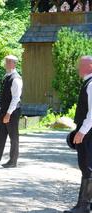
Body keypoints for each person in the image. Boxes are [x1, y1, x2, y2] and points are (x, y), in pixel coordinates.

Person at [64, 56, 92, 213]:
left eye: (81, 64)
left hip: (88, 132)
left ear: (91, 66)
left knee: (87, 166)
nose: (78, 67)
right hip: (88, 130)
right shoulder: (89, 82)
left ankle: (84, 206)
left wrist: (81, 132)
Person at [0, 55, 23, 168]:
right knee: (0, 135)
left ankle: (13, 161)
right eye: (6, 61)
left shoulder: (16, 78)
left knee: (13, 136)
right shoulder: (7, 76)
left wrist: (8, 114)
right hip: (4, 110)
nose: (6, 63)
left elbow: (16, 98)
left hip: (12, 111)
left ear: (14, 64)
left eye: (9, 62)